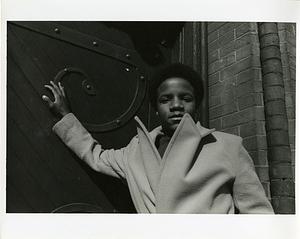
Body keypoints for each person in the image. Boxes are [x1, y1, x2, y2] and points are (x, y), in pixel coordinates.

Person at [42, 63, 274, 214]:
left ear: (197, 104)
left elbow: (258, 215)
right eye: (165, 100)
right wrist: (66, 116)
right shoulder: (135, 151)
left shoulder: (228, 146)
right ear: (156, 108)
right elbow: (97, 156)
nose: (175, 105)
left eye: (185, 98)